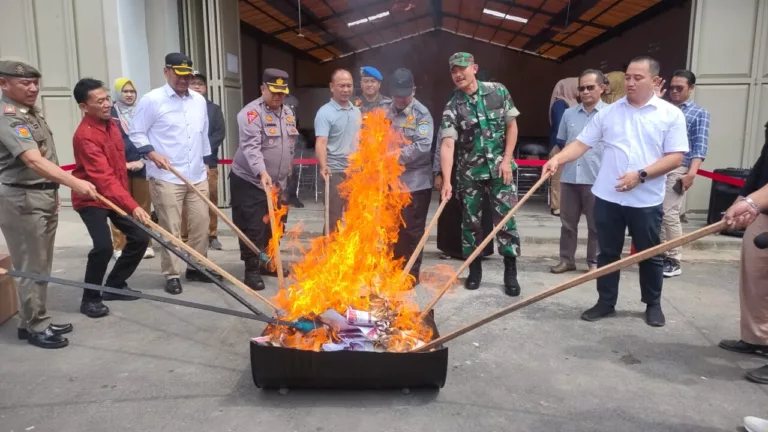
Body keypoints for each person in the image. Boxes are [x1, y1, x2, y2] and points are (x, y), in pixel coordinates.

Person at [543, 56, 689, 327]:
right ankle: (606, 302)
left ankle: (653, 304)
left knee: (648, 253)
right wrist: (557, 160)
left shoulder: (670, 114)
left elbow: (676, 157)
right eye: (628, 77)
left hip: (645, 199)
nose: (630, 83)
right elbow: (581, 144)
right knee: (607, 253)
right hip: (608, 197)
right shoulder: (610, 113)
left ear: (654, 80)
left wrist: (641, 175)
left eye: (638, 78)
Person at [0, 57, 97, 349]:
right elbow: (32, 160)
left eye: (35, 82)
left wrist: (53, 193)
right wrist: (74, 183)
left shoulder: (29, 113)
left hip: (38, 195)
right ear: (3, 84)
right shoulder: (9, 117)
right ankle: (35, 326)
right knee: (32, 265)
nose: (32, 88)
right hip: (22, 199)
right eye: (24, 83)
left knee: (40, 264)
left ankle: (30, 319)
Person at [129, 52, 219, 295]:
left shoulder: (198, 101)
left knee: (201, 223)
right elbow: (136, 132)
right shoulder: (152, 100)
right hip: (167, 175)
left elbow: (202, 135)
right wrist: (151, 153)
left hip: (197, 173)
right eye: (178, 74)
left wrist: (207, 164)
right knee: (171, 227)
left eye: (188, 75)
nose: (183, 79)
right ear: (166, 71)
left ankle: (197, 266)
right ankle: (172, 273)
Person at [439, 52, 522, 296]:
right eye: (453, 71)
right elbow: (447, 144)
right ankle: (474, 270)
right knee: (470, 223)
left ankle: (510, 271)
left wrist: (507, 160)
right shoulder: (453, 105)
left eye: (462, 69)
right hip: (470, 174)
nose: (457, 74)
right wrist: (446, 180)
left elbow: (511, 125)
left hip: (500, 170)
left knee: (506, 221)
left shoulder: (498, 91)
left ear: (474, 68)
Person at [70, 78, 152, 318]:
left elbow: (117, 169)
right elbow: (103, 178)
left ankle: (115, 284)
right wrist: (133, 205)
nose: (107, 104)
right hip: (92, 197)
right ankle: (90, 298)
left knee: (139, 236)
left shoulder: (112, 124)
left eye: (107, 98)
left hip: (114, 194)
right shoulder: (84, 136)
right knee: (103, 247)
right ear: (84, 106)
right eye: (100, 101)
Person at [230, 68, 296, 291]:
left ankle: (268, 263)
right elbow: (251, 147)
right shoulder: (250, 114)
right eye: (274, 91)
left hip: (278, 183)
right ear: (263, 88)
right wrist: (261, 172)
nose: (278, 96)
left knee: (276, 226)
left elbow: (288, 145)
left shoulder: (288, 112)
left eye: (282, 92)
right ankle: (251, 270)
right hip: (250, 180)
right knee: (253, 228)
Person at [718, 120, 768, 384]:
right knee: (754, 280)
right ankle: (757, 338)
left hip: (760, 205)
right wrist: (744, 200)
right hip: (763, 211)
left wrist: (750, 202)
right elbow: (763, 165)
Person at [550, 69, 607, 274]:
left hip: (597, 179)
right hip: (570, 177)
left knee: (596, 225)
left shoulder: (610, 114)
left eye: (590, 87)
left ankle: (594, 262)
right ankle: (567, 260)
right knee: (567, 224)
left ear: (602, 88)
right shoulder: (568, 113)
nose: (585, 91)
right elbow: (563, 143)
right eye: (581, 88)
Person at [385, 68, 434, 283]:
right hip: (390, 183)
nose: (400, 99)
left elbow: (423, 146)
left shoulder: (421, 114)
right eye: (397, 94)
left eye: (404, 94)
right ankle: (391, 271)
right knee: (390, 229)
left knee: (411, 232)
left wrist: (393, 156)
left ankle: (409, 275)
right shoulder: (385, 110)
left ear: (413, 90)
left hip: (415, 183)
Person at [660, 70, 710, 277]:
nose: (674, 92)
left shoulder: (699, 113)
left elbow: (700, 145)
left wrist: (692, 173)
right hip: (657, 166)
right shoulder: (663, 109)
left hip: (680, 167)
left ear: (691, 88)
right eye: (672, 88)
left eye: (679, 88)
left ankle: (674, 258)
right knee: (657, 213)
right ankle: (660, 253)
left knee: (669, 212)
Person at [110, 77, 155, 260]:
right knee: (119, 207)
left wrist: (143, 161)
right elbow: (108, 142)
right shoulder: (110, 113)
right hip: (119, 167)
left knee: (143, 206)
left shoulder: (142, 111)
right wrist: (122, 164)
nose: (129, 95)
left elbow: (151, 137)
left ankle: (146, 244)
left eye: (132, 91)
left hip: (142, 165)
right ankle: (120, 245)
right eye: (125, 91)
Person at [181, 71, 226, 251]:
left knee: (211, 199)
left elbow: (219, 134)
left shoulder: (213, 109)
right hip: (185, 164)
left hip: (209, 162)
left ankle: (212, 234)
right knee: (185, 200)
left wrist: (201, 150)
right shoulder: (182, 107)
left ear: (206, 88)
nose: (197, 86)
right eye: (193, 83)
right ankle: (185, 236)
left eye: (200, 84)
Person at [315, 69, 362, 234]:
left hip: (355, 172)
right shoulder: (325, 113)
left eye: (349, 86)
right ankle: (328, 255)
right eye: (341, 85)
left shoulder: (356, 111)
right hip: (334, 173)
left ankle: (350, 255)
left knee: (355, 216)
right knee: (333, 217)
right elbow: (321, 142)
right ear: (331, 87)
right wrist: (323, 166)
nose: (346, 89)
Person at [548, 77, 580, 217]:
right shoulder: (560, 104)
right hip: (560, 146)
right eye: (578, 87)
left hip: (571, 146)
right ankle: (557, 207)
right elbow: (560, 128)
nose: (581, 90)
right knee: (558, 177)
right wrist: (565, 147)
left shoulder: (573, 103)